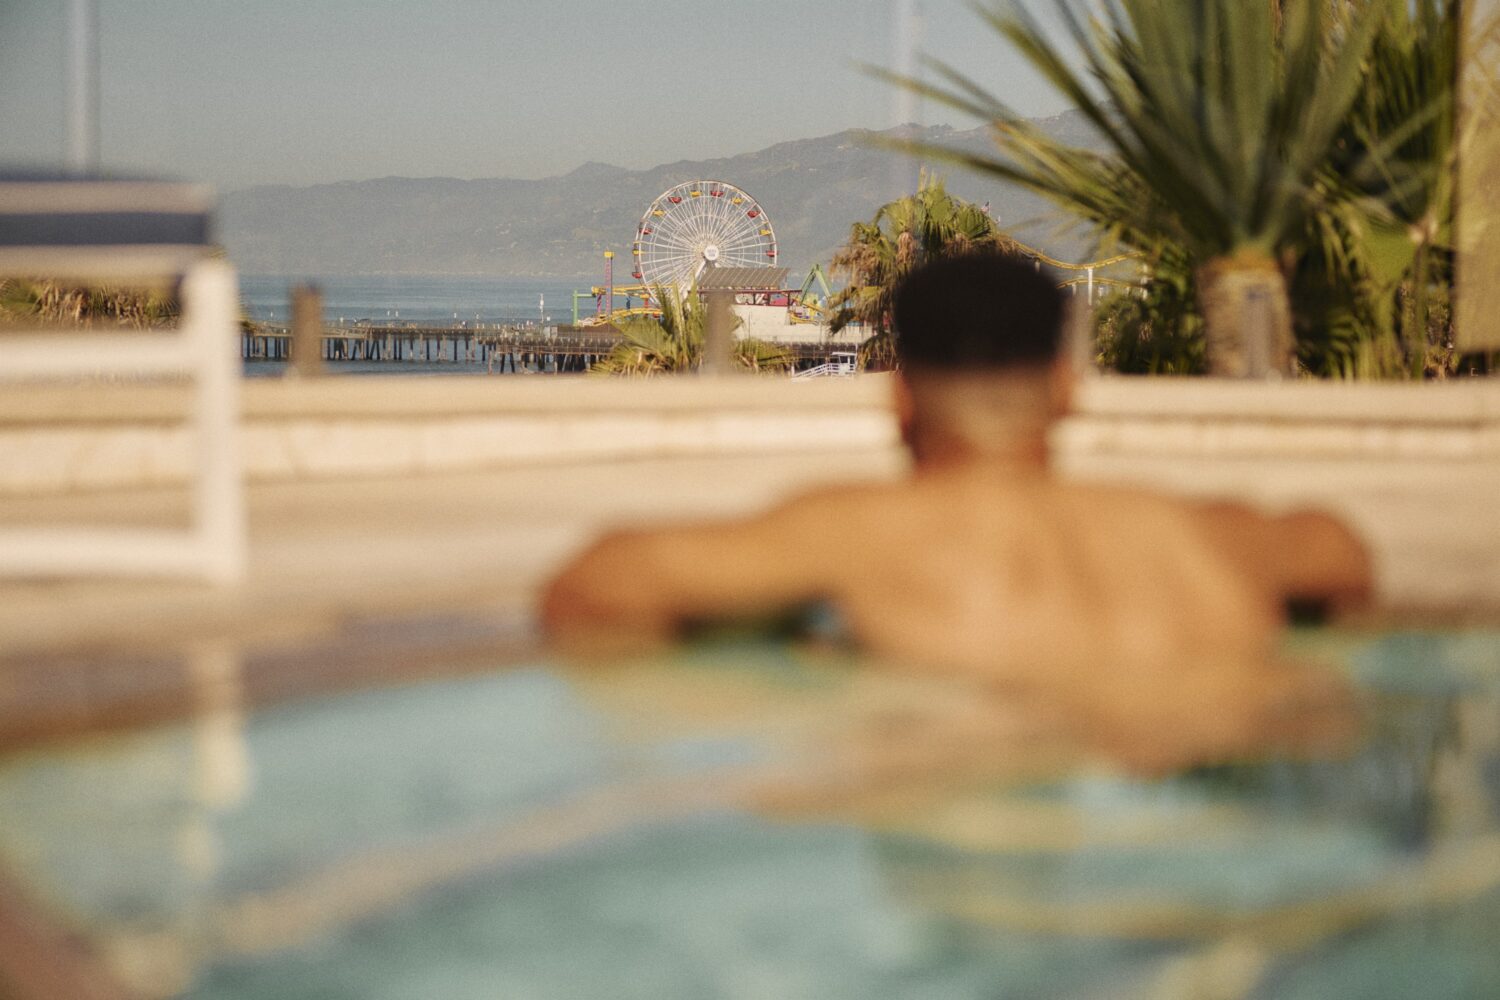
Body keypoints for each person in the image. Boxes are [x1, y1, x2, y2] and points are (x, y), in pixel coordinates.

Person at [541, 252, 1367, 764]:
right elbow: (1339, 551)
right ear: (1066, 388)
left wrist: (787, 660)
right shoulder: (1206, 537)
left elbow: (597, 584)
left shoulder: (856, 535)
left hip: (960, 794)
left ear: (898, 399)